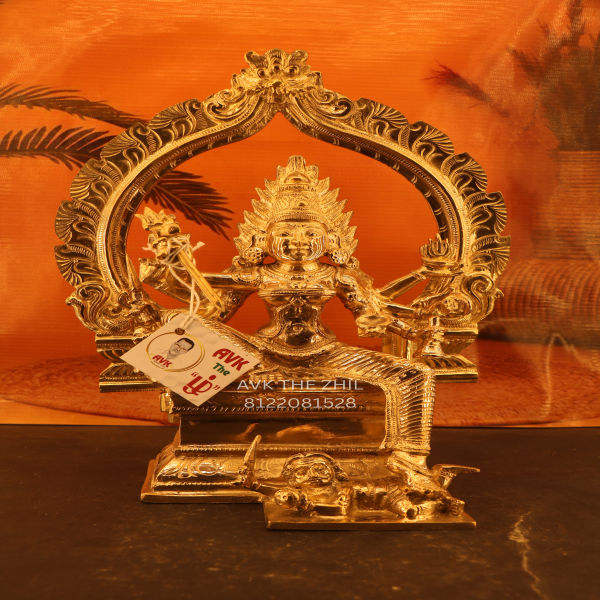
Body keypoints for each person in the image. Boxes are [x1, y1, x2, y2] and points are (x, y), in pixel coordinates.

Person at [137, 156, 440, 471]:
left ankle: (409, 459)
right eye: (285, 234)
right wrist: (171, 267)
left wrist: (414, 331)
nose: (298, 242)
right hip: (262, 353)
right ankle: (208, 398)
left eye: (310, 234)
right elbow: (214, 310)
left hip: (324, 353)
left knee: (416, 375)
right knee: (177, 321)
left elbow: (373, 315)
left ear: (331, 240)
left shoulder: (338, 277)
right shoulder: (256, 275)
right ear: (263, 239)